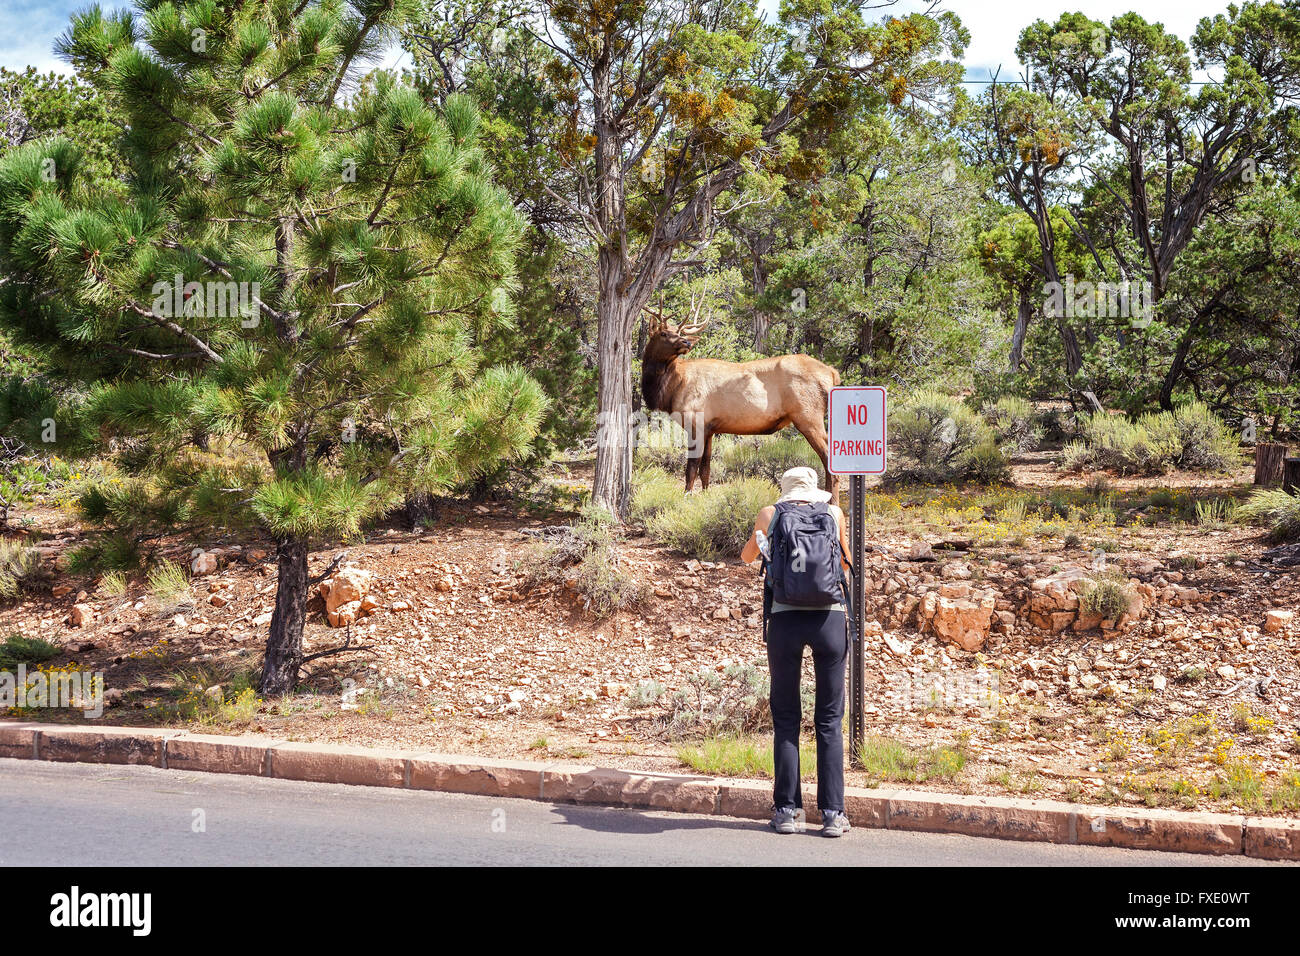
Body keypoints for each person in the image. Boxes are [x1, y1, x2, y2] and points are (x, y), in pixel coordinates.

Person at [741, 465, 853, 838]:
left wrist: (764, 544)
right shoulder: (833, 513)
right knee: (829, 719)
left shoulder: (771, 514)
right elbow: (844, 564)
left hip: (785, 621)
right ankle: (833, 814)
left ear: (785, 490)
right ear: (814, 490)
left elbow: (746, 558)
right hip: (829, 622)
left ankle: (787, 810)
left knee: (787, 717)